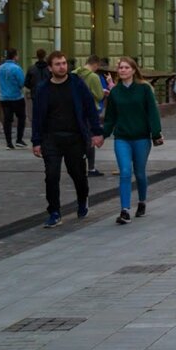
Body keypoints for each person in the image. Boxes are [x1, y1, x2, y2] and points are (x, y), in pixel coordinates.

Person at [30, 51, 104, 228]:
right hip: (51, 139)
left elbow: (89, 109)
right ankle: (54, 212)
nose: (62, 67)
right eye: (58, 64)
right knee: (51, 176)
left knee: (77, 174)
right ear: (50, 68)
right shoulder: (43, 89)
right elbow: (38, 116)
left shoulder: (76, 84)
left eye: (64, 63)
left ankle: (82, 199)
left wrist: (96, 132)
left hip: (75, 138)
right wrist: (36, 141)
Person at [103, 57, 163, 224]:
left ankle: (142, 201)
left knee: (140, 173)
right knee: (125, 172)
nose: (122, 70)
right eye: (120, 68)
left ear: (133, 70)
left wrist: (156, 133)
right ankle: (125, 210)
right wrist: (102, 135)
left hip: (141, 137)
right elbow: (110, 118)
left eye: (126, 67)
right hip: (122, 138)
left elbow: (152, 112)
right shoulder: (115, 92)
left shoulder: (144, 89)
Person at [75, 55, 108, 177]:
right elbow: (99, 96)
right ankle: (91, 168)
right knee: (90, 140)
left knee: (78, 139)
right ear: (95, 64)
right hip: (90, 112)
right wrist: (104, 92)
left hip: (76, 111)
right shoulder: (94, 77)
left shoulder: (74, 73)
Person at [0, 49, 27, 150]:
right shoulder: (16, 68)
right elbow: (22, 82)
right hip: (17, 97)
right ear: (15, 56)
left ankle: (8, 143)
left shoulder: (0, 68)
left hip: (4, 98)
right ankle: (19, 139)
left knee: (7, 120)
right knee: (21, 118)